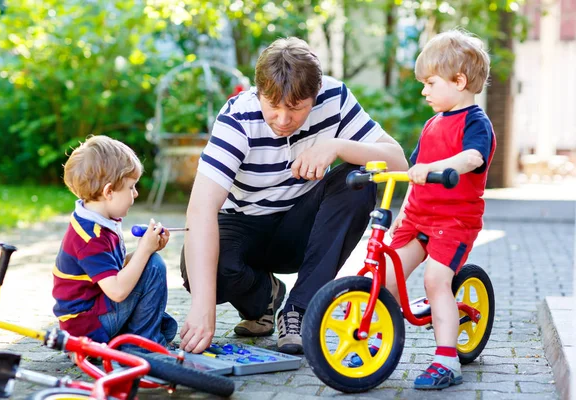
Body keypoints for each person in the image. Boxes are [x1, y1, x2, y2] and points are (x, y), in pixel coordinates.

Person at [178, 37, 408, 355]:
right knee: (201, 271)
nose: (283, 120)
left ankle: (298, 310)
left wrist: (336, 146)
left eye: (296, 108)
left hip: (302, 227)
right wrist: (204, 310)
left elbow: (397, 161)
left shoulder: (335, 97)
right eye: (273, 106)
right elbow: (201, 209)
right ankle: (265, 297)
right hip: (243, 224)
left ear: (315, 95)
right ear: (258, 92)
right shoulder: (237, 118)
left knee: (361, 180)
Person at [386, 29, 496, 389]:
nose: (424, 91)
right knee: (385, 275)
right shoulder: (432, 124)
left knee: (436, 280)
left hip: (453, 221)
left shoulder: (475, 124)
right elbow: (415, 176)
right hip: (418, 217)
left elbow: (472, 157)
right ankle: (375, 343)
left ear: (459, 80)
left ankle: (447, 360)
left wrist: (438, 168)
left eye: (430, 83)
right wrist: (402, 215)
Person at [52, 135, 178, 348]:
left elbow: (113, 269)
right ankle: (140, 347)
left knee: (164, 319)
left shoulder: (99, 220)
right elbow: (117, 291)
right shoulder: (90, 236)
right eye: (131, 187)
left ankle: (130, 340)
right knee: (154, 266)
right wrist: (144, 252)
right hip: (87, 326)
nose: (136, 194)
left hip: (95, 315)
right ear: (108, 191)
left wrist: (145, 249)